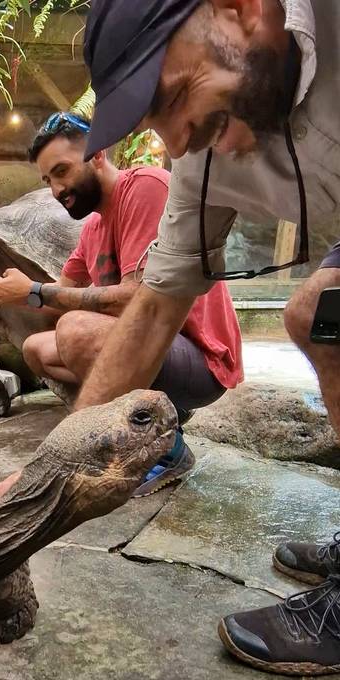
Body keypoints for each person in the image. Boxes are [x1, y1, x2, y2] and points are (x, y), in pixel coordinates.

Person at [80, 0, 340, 673]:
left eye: (170, 98)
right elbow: (155, 307)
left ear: (240, 8)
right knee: (322, 318)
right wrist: (58, 471)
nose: (175, 142)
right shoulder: (203, 153)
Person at [0, 111, 243, 497]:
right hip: (153, 352)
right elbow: (54, 297)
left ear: (97, 154)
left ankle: (167, 449)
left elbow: (139, 299)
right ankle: (131, 426)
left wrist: (33, 290)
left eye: (62, 171)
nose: (56, 190)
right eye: (48, 180)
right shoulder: (93, 228)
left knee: (76, 330)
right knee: (37, 349)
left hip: (201, 358)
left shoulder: (145, 187)